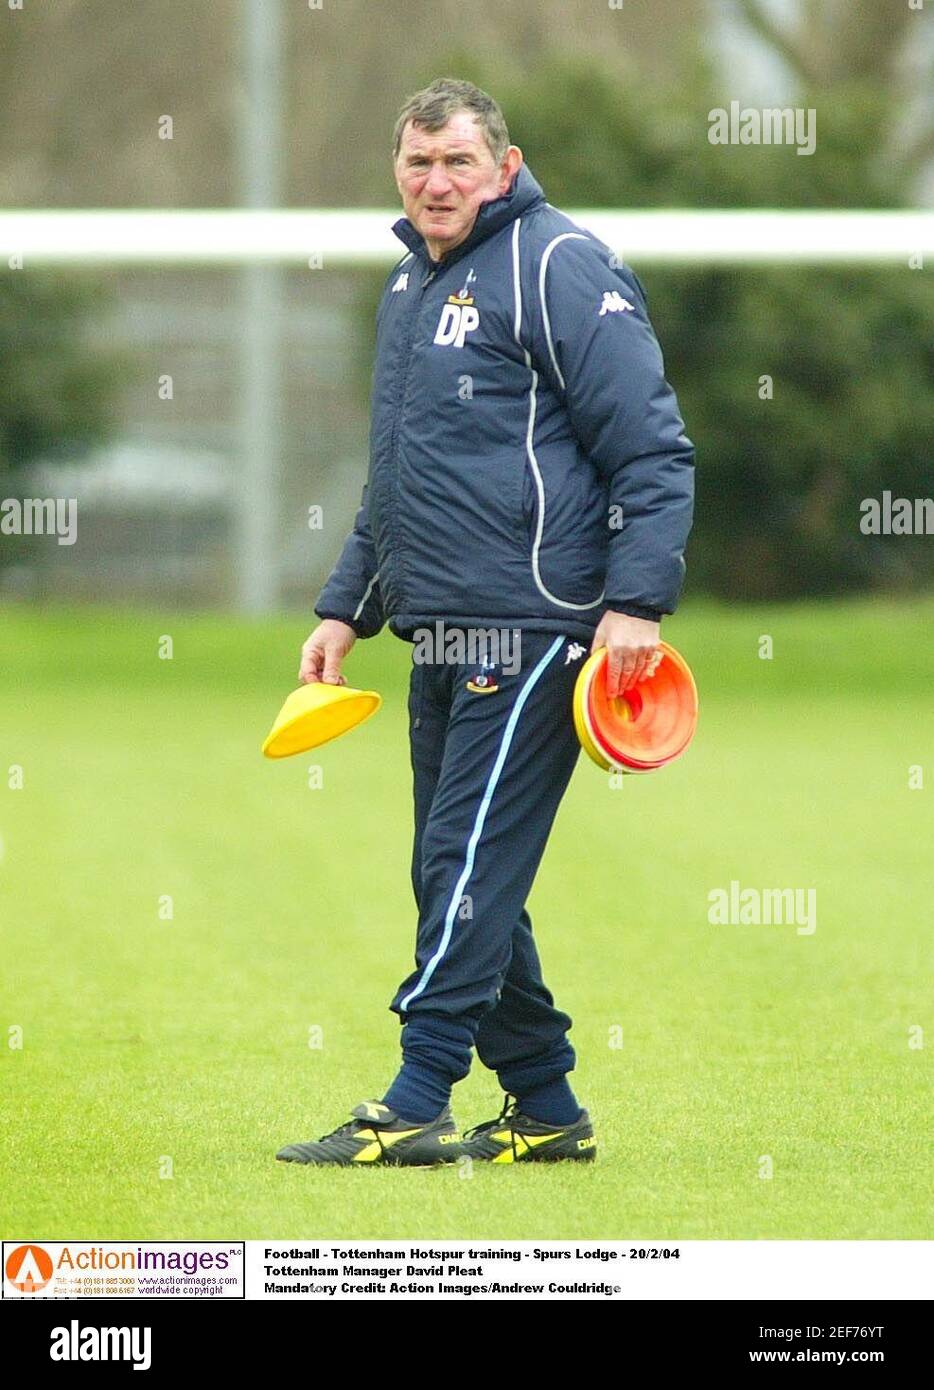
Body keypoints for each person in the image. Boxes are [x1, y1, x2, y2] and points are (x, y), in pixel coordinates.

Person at [276, 77, 694, 1167]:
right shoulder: (411, 284)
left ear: (503, 166)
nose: (435, 182)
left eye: (457, 161)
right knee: (455, 871)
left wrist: (636, 605)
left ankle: (415, 1099)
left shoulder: (560, 264)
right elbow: (399, 476)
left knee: (463, 861)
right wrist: (345, 608)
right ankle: (546, 1107)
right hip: (436, 627)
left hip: (536, 630)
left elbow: (651, 452)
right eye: (418, 163)